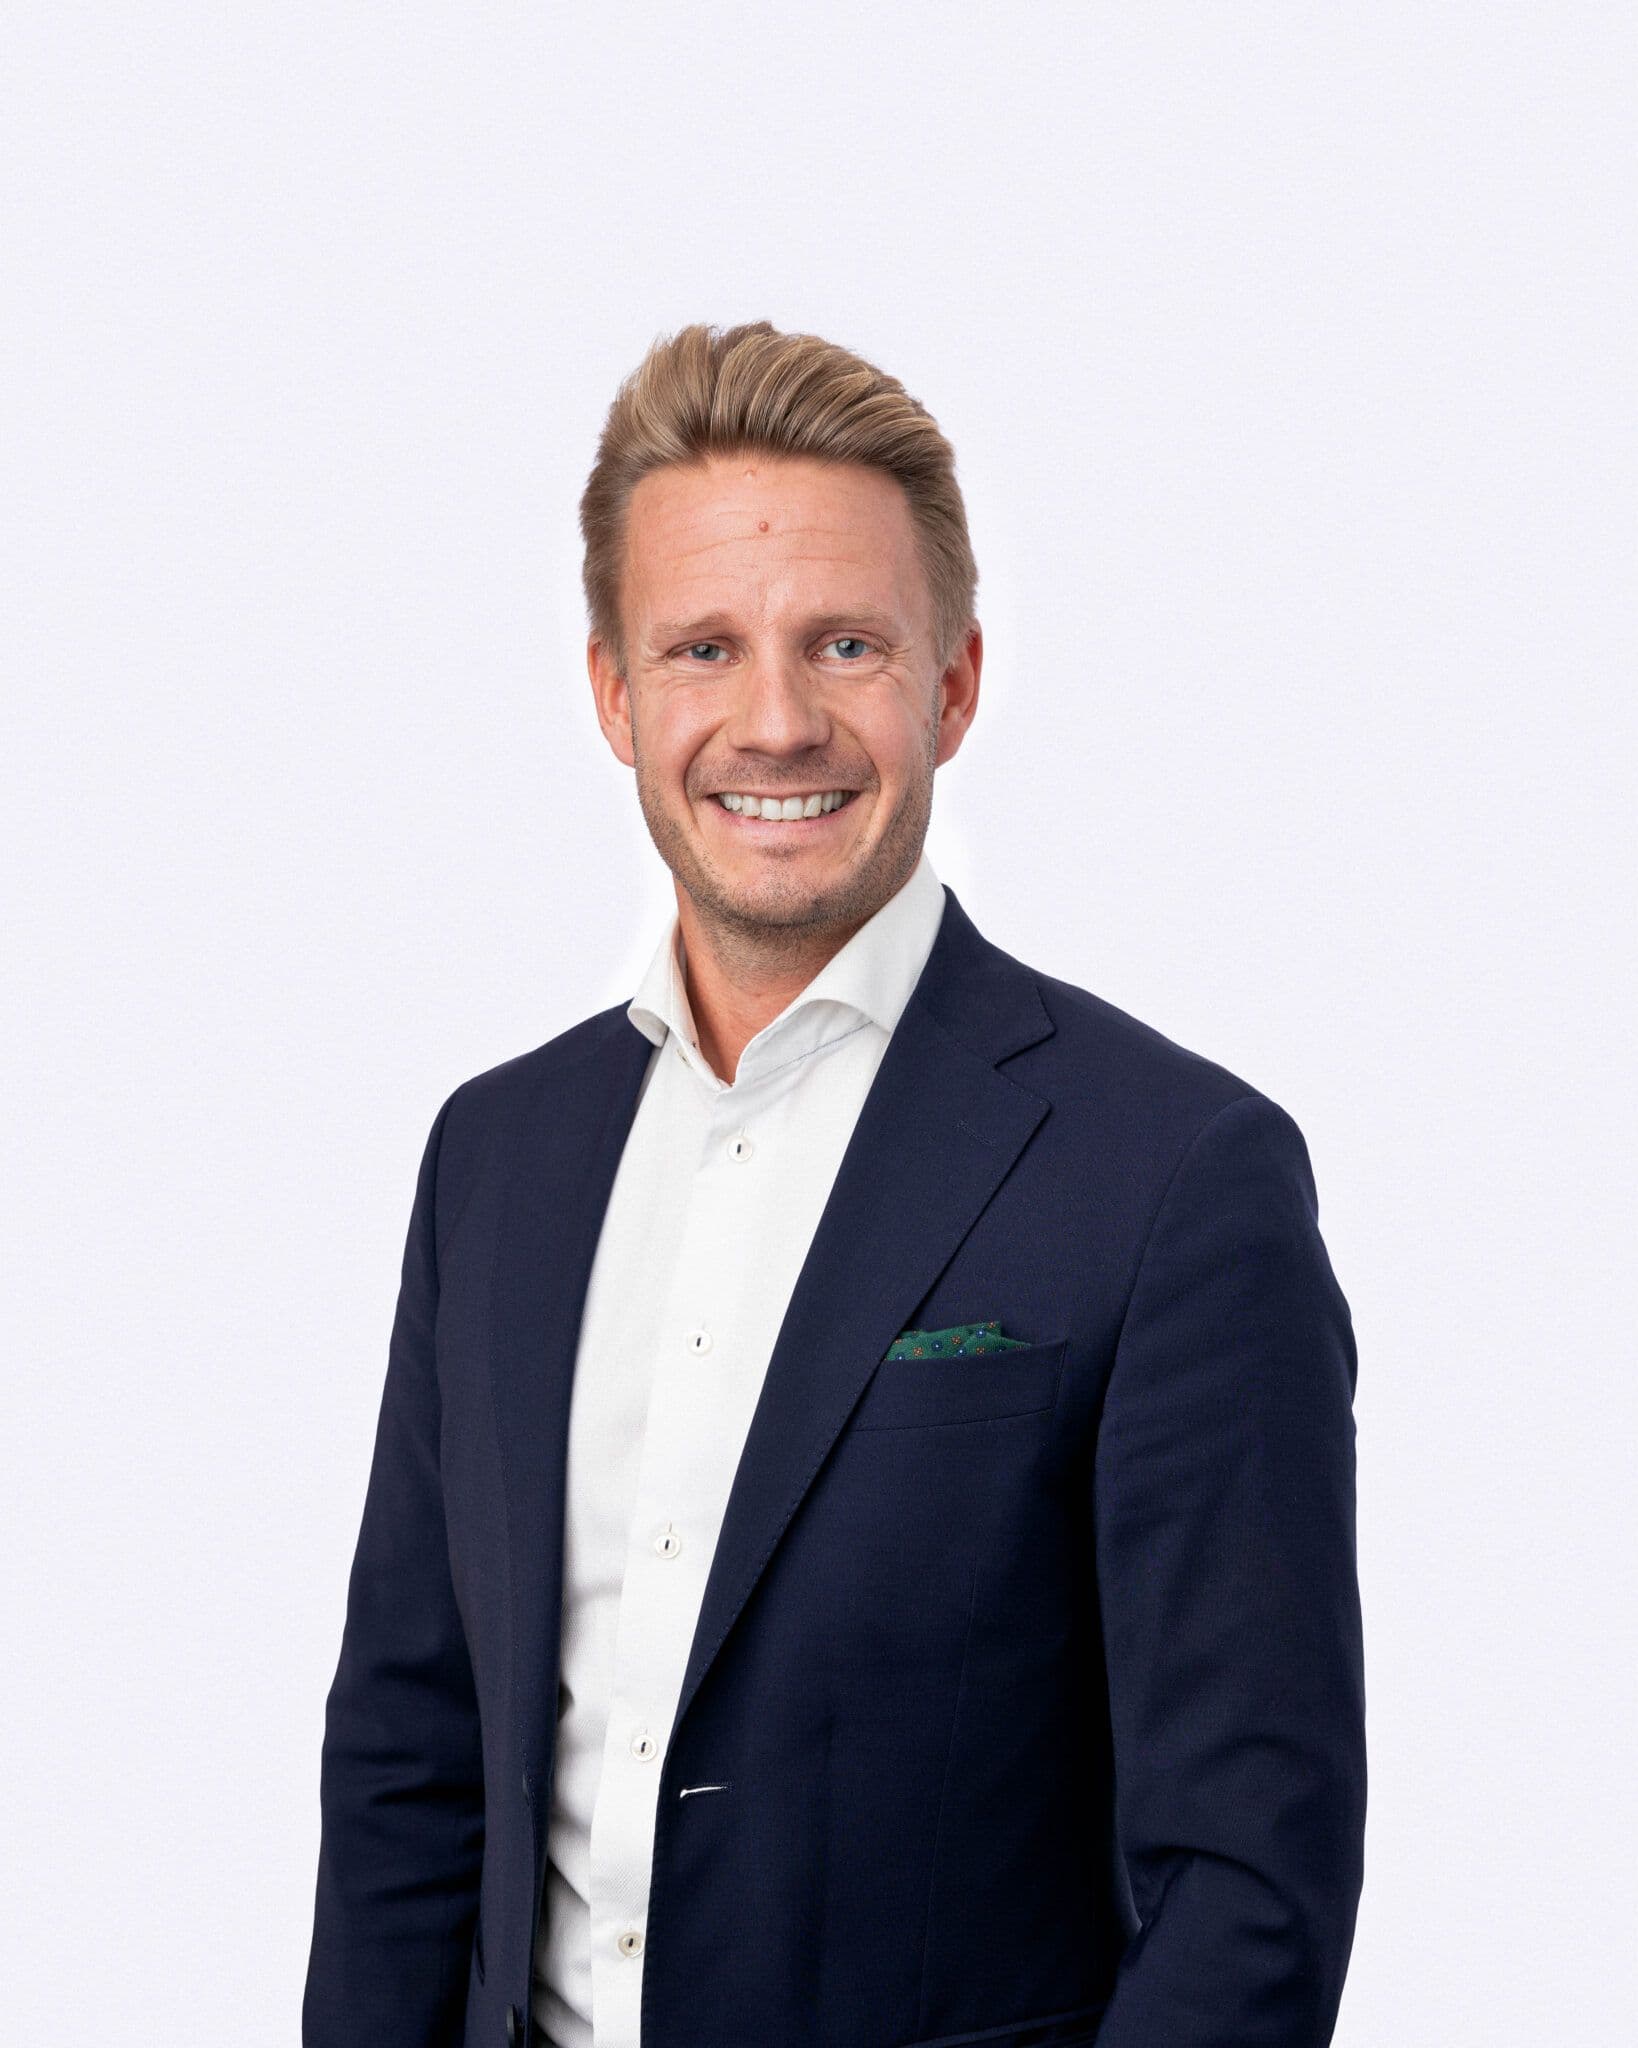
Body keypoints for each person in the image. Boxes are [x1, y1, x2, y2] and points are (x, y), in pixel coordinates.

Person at [302, 320, 1366, 2048]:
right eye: (703, 648)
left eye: (846, 645)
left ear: (951, 685)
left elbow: (1248, 1876)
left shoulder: (1171, 1173)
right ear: (615, 695)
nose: (776, 722)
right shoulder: (495, 1156)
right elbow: (406, 1766)